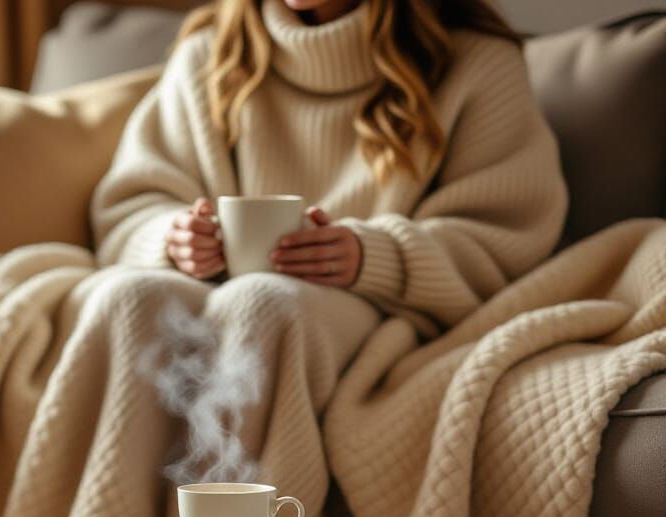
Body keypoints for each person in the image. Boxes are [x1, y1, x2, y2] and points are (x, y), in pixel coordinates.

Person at [92, 0, 568, 336]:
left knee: (263, 305)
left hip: (383, 313)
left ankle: (264, 487)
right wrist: (173, 241)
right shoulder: (208, 58)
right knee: (129, 300)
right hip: (215, 300)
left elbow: (506, 239)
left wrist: (374, 256)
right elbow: (129, 207)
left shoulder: (478, 63)